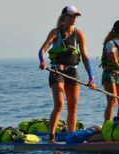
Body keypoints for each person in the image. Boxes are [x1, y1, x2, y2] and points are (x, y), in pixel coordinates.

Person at [38, 5, 96, 143]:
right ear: (64, 17)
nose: (74, 18)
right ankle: (51, 138)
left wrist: (91, 78)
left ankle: (72, 136)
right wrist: (42, 61)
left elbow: (86, 57)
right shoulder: (55, 32)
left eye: (76, 16)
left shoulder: (79, 34)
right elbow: (42, 50)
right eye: (71, 15)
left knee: (73, 106)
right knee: (59, 105)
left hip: (72, 71)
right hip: (56, 71)